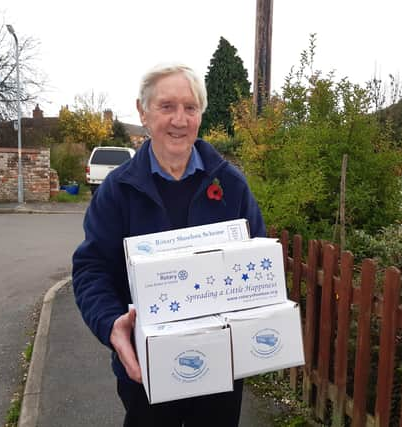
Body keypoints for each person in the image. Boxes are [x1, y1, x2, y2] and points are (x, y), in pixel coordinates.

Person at [72, 63, 266, 427]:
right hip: (146, 368)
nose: (180, 119)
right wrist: (111, 324)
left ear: (200, 116)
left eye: (190, 108)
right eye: (167, 106)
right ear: (143, 113)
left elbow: (258, 258)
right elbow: (92, 268)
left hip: (220, 365)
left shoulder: (230, 184)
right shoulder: (118, 190)